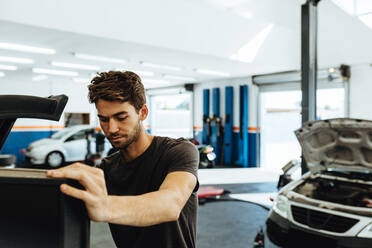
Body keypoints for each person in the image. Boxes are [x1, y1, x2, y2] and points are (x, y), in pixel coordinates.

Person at [46, 71, 199, 248]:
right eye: (104, 119)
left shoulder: (178, 151)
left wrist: (107, 207)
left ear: (142, 112)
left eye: (121, 117)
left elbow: (170, 204)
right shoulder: (105, 170)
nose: (111, 129)